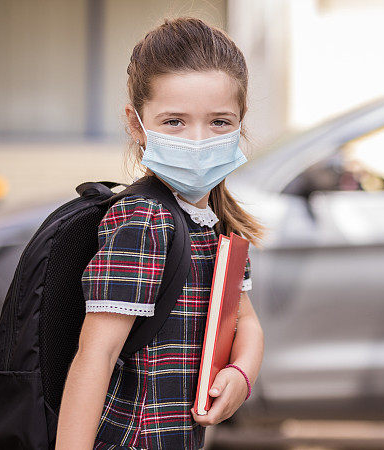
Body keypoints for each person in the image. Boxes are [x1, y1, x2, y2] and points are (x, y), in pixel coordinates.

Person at [56, 17, 266, 449]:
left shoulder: (218, 221)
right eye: (174, 121)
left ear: (241, 122)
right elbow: (96, 355)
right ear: (136, 123)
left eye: (219, 122)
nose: (197, 140)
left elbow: (246, 322)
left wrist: (240, 375)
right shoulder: (143, 219)